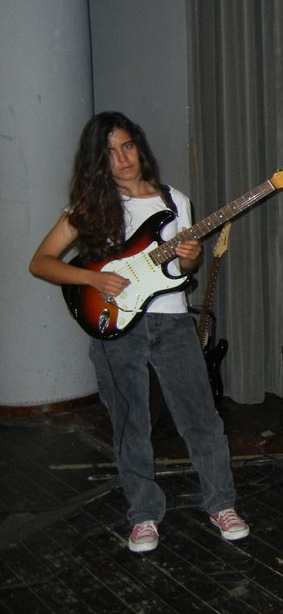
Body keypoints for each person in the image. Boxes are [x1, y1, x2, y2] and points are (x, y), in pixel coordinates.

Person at [29, 111, 249, 553]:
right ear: (97, 161)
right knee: (130, 423)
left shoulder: (174, 199)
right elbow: (41, 262)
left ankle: (221, 504)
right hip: (114, 326)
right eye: (110, 152)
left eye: (127, 146)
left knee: (201, 418)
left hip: (172, 320)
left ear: (139, 146)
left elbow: (184, 268)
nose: (123, 158)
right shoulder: (91, 207)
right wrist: (92, 279)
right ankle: (144, 514)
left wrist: (190, 256)